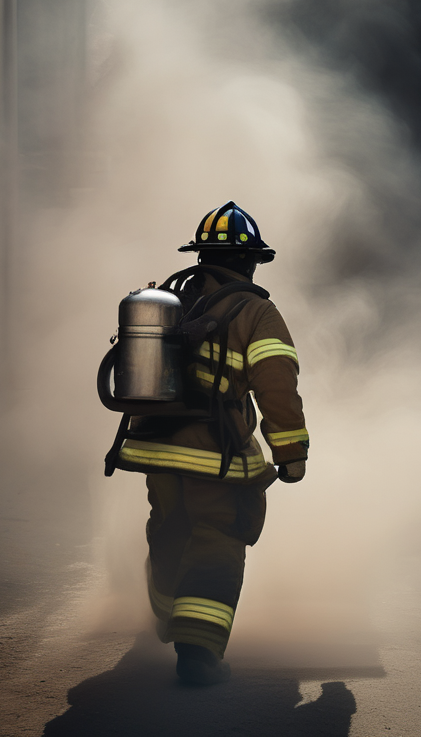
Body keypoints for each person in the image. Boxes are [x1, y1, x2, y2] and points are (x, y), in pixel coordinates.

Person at [112, 201, 309, 685]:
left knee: (169, 527)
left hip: (153, 448)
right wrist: (291, 455)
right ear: (249, 261)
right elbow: (277, 388)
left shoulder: (170, 298)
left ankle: (163, 613)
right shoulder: (256, 312)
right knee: (218, 538)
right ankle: (197, 651)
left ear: (201, 256)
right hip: (214, 458)